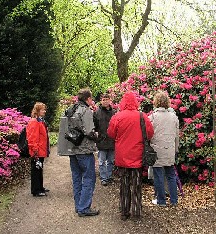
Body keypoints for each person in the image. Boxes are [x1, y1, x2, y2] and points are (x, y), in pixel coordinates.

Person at [107, 91, 154, 220]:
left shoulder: (117, 116)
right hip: (137, 155)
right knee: (137, 185)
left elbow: (111, 133)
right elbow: (150, 133)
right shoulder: (142, 116)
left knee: (124, 184)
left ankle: (124, 211)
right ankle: (136, 212)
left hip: (122, 156)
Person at [65, 88, 99, 217]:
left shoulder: (71, 109)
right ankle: (84, 208)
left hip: (73, 148)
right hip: (84, 149)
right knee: (89, 177)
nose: (92, 101)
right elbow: (89, 131)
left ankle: (78, 205)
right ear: (88, 99)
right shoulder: (86, 111)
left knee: (76, 177)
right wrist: (97, 135)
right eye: (91, 98)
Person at [149, 91, 179, 207]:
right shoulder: (173, 117)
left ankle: (161, 200)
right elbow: (177, 136)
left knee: (158, 176)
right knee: (171, 175)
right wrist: (175, 150)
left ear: (156, 102)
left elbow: (149, 134)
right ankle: (174, 200)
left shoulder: (152, 117)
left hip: (157, 151)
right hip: (170, 149)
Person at [26, 102, 50, 197]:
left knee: (39, 169)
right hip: (37, 151)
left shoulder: (40, 121)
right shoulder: (34, 122)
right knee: (36, 170)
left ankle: (40, 187)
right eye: (42, 109)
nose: (44, 111)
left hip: (40, 150)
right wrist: (35, 151)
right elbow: (32, 138)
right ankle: (36, 190)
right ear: (37, 111)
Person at [93, 93, 116, 186]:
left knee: (110, 161)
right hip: (101, 140)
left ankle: (109, 176)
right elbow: (94, 127)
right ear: (101, 101)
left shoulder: (114, 112)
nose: (105, 101)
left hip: (112, 140)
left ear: (110, 100)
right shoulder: (97, 112)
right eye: (103, 99)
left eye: (107, 99)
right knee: (102, 161)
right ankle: (103, 178)